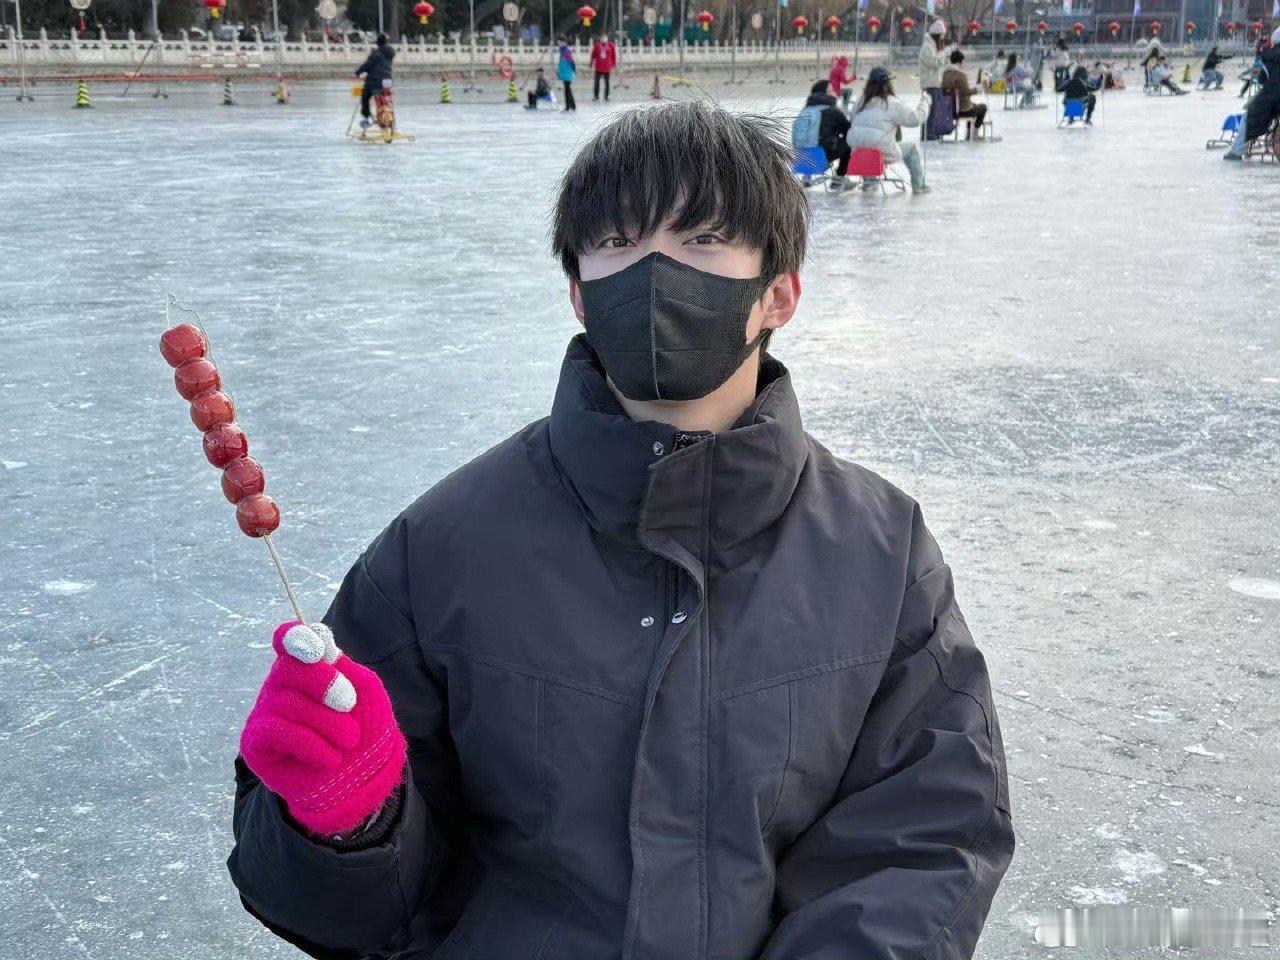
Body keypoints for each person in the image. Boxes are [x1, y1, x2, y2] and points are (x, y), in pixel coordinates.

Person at [226, 100, 1013, 958]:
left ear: (778, 294)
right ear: (578, 292)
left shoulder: (881, 552)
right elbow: (351, 910)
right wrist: (345, 827)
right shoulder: (441, 547)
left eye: (703, 241)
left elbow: (923, 841)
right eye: (619, 245)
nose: (655, 274)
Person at [848, 66, 932, 192]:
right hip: (882, 151)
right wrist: (925, 101)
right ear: (888, 84)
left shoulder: (860, 101)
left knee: (867, 141)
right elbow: (914, 120)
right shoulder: (891, 102)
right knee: (911, 149)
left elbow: (852, 119)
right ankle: (918, 185)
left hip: (858, 153)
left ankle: (870, 182)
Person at [1225, 27, 1280, 160]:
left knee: (1249, 117)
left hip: (1271, 99)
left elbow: (1260, 78)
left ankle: (1236, 151)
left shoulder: (1267, 57)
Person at [793, 79, 852, 185]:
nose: (834, 92)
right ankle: (839, 178)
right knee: (850, 140)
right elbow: (848, 129)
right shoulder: (833, 112)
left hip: (801, 159)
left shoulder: (805, 111)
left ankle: (807, 176)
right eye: (830, 90)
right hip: (822, 158)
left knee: (816, 140)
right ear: (824, 93)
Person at [942, 49, 989, 138]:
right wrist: (978, 88)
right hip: (961, 110)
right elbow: (966, 92)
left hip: (948, 109)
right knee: (983, 107)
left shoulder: (945, 74)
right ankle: (974, 134)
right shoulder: (960, 75)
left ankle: (968, 134)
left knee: (973, 105)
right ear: (960, 62)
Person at [918, 19, 951, 140]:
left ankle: (934, 134)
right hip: (930, 85)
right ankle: (929, 136)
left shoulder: (934, 46)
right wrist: (945, 52)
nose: (943, 39)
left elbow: (942, 63)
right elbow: (935, 62)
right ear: (937, 36)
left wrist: (947, 55)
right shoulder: (927, 47)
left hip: (937, 84)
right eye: (942, 36)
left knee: (936, 113)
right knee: (930, 112)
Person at [354, 33, 394, 129]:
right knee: (385, 98)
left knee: (365, 96)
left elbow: (367, 66)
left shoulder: (376, 54)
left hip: (376, 82)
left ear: (378, 43)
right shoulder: (390, 53)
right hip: (388, 82)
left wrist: (358, 72)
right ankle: (387, 116)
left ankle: (366, 118)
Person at [589, 33, 617, 101]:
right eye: (602, 37)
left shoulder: (611, 45)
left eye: (605, 37)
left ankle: (606, 96)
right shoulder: (597, 45)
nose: (604, 39)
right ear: (600, 38)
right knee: (597, 82)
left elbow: (614, 56)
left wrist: (614, 65)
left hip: (607, 67)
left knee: (607, 83)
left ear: (607, 38)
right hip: (598, 67)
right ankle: (596, 96)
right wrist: (591, 63)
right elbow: (593, 55)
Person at [557, 34, 577, 111]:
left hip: (568, 73)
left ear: (563, 42)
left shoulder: (566, 51)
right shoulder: (562, 50)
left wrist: (574, 70)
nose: (558, 44)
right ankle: (572, 105)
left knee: (567, 90)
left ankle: (568, 106)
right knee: (568, 89)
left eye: (559, 42)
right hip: (564, 73)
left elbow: (572, 62)